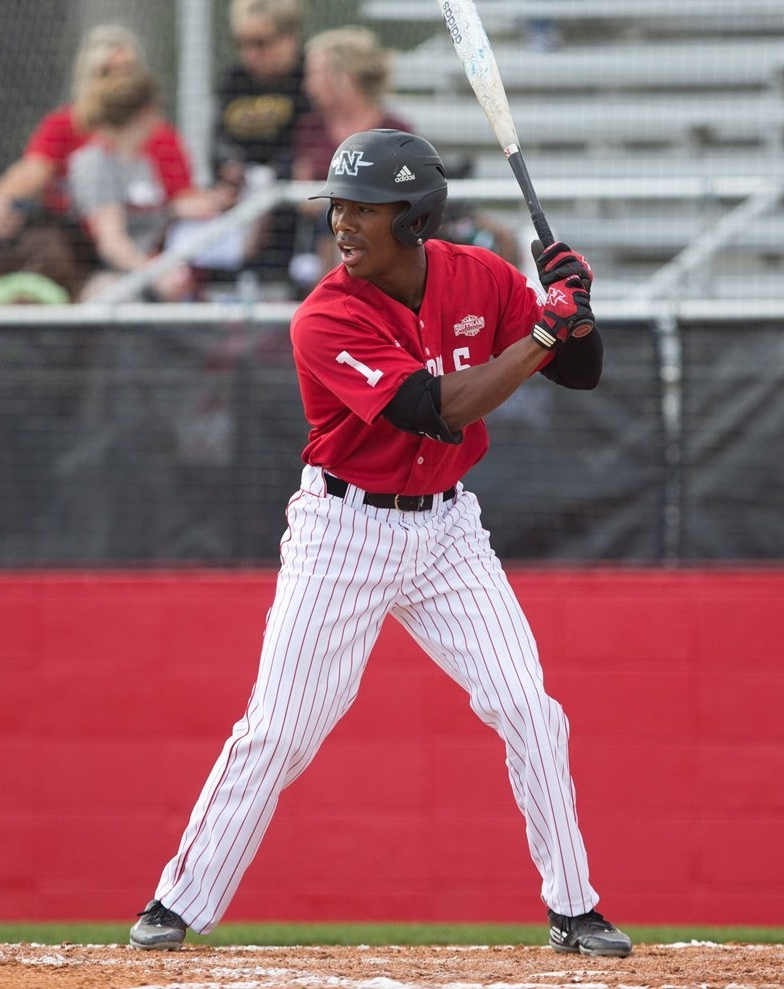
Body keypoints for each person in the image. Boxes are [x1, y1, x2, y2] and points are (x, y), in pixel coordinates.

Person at [129, 128, 631, 959]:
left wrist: (573, 312)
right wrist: (545, 332)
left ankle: (574, 908)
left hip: (446, 529)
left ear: (416, 217)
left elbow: (581, 374)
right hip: (343, 531)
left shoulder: (479, 276)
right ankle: (176, 901)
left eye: (366, 209)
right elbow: (440, 408)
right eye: (340, 208)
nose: (344, 225)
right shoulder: (324, 316)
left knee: (528, 709)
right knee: (282, 728)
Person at [0, 24, 197, 300]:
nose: (119, 81)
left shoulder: (156, 136)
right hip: (89, 264)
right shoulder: (72, 136)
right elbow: (29, 178)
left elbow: (181, 199)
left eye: (129, 71)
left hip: (144, 256)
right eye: (107, 72)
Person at [67, 63, 228, 303]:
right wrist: (156, 275)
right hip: (115, 281)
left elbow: (147, 213)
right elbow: (111, 242)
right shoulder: (95, 162)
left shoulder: (142, 161)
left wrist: (177, 209)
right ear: (146, 111)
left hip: (151, 271)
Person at [290, 27, 415, 284]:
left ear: (342, 78)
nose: (307, 86)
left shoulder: (395, 130)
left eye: (314, 74)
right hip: (323, 238)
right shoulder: (310, 128)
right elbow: (304, 196)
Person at [209, 0, 312, 286]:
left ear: (289, 37)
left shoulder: (308, 79)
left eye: (260, 43)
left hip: (288, 206)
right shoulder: (234, 81)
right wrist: (229, 169)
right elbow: (217, 141)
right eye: (241, 44)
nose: (249, 54)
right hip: (239, 200)